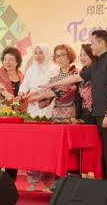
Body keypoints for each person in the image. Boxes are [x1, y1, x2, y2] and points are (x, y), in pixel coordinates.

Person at [40, 30, 107, 181]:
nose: (91, 46)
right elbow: (76, 77)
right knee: (102, 153)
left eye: (92, 43)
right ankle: (105, 185)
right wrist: (52, 84)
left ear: (102, 43)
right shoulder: (97, 63)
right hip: (98, 114)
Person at [27, 44, 79, 191]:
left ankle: (71, 185)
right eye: (57, 56)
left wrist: (42, 95)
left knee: (70, 152)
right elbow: (47, 99)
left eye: (63, 55)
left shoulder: (76, 73)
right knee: (57, 152)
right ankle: (57, 184)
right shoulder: (54, 77)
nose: (60, 58)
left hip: (71, 116)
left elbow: (66, 90)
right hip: (56, 116)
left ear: (70, 56)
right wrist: (36, 96)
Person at [0, 47, 25, 181]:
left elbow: (25, 92)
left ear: (17, 62)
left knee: (13, 150)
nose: (7, 62)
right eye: (5, 59)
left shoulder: (22, 76)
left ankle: (10, 180)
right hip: (0, 115)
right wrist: (8, 95)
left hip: (16, 117)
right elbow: (0, 89)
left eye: (11, 60)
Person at [75, 44, 97, 123]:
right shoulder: (80, 73)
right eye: (80, 55)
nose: (82, 58)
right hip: (83, 115)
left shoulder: (97, 72)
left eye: (85, 54)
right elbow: (78, 99)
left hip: (95, 115)